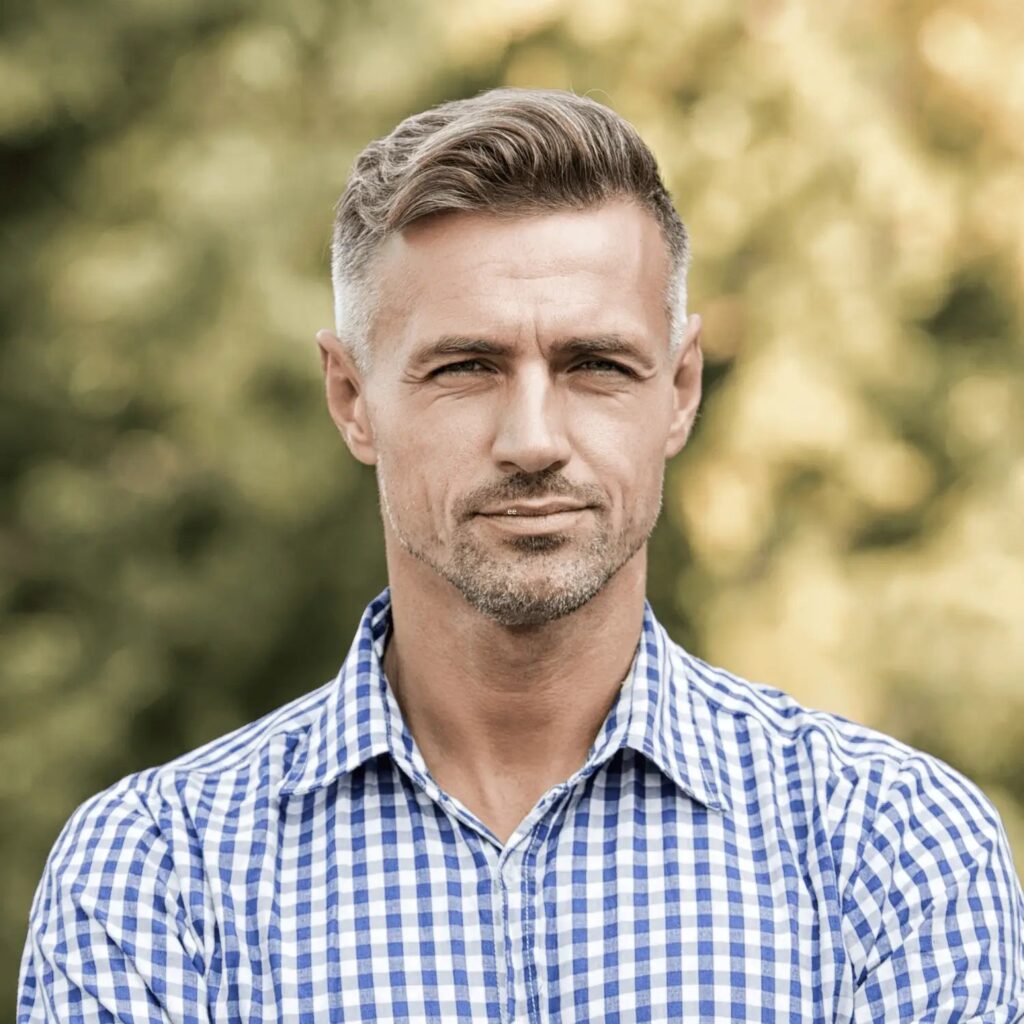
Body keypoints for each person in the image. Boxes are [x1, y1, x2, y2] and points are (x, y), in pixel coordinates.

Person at [18, 88, 1023, 1024]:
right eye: (465, 366)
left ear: (677, 389)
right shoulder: (156, 875)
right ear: (350, 396)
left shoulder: (894, 850)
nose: (533, 438)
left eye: (596, 365)